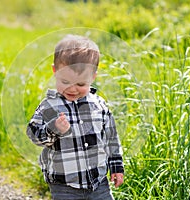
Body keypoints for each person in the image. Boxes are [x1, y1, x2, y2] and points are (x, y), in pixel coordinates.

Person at [26, 34, 124, 200]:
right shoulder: (50, 106)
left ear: (93, 77)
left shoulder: (98, 105)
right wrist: (53, 129)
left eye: (80, 84)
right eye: (65, 81)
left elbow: (111, 138)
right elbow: (34, 135)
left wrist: (116, 166)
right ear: (55, 71)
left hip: (98, 183)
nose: (72, 89)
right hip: (64, 185)